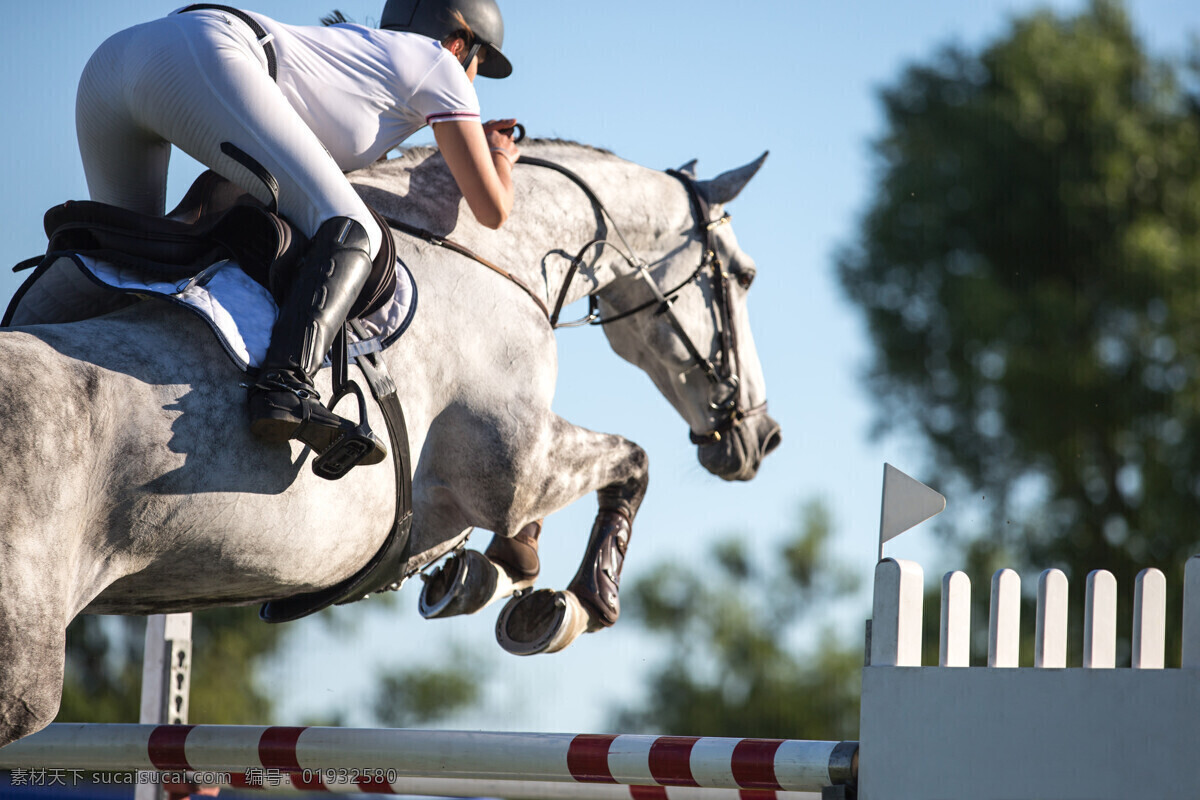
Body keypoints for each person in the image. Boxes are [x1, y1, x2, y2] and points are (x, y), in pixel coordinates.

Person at [74, 0, 520, 473]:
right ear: (459, 44)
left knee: (120, 275)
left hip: (112, 66)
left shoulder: (363, 62)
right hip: (204, 50)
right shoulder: (440, 63)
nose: (473, 82)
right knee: (357, 230)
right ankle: (287, 387)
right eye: (479, 67)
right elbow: (491, 209)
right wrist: (500, 157)